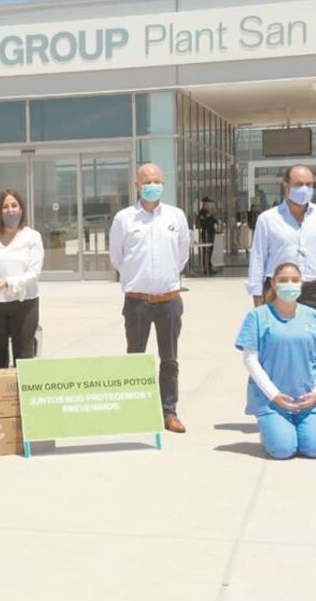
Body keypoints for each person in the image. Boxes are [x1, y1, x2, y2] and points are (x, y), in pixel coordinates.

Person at [108, 163, 191, 433]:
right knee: (135, 358)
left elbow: (182, 254)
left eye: (157, 180)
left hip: (168, 300)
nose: (153, 185)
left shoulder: (176, 216)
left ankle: (169, 412)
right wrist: (137, 278)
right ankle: (136, 412)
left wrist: (164, 278)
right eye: (147, 181)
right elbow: (117, 257)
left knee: (169, 360)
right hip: (137, 301)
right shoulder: (124, 219)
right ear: (137, 185)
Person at [234, 262, 316, 460]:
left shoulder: (314, 317)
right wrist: (273, 395)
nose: (289, 285)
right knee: (282, 450)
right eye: (283, 280)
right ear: (273, 283)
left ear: (301, 283)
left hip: (308, 399)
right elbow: (250, 359)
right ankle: (273, 429)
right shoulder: (257, 316)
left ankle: (298, 426)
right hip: (272, 401)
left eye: (295, 280)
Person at [246, 164, 316, 319]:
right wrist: (257, 298)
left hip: (315, 293)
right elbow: (257, 258)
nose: (304, 189)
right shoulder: (268, 219)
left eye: (308, 184)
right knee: (277, 340)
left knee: (311, 341)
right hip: (277, 291)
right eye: (299, 184)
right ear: (286, 186)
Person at [0, 188, 44, 368]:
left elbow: (34, 273)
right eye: (5, 206)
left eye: (14, 205)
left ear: (21, 209)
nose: (10, 210)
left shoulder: (32, 237)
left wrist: (9, 282)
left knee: (24, 358)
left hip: (24, 303)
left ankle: (22, 396)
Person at [196, 198, 219, 275]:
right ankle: (206, 268)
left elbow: (214, 221)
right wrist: (210, 217)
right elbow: (204, 224)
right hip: (206, 234)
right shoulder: (202, 213)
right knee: (206, 252)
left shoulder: (210, 213)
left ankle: (209, 266)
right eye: (208, 204)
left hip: (211, 233)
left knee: (210, 251)